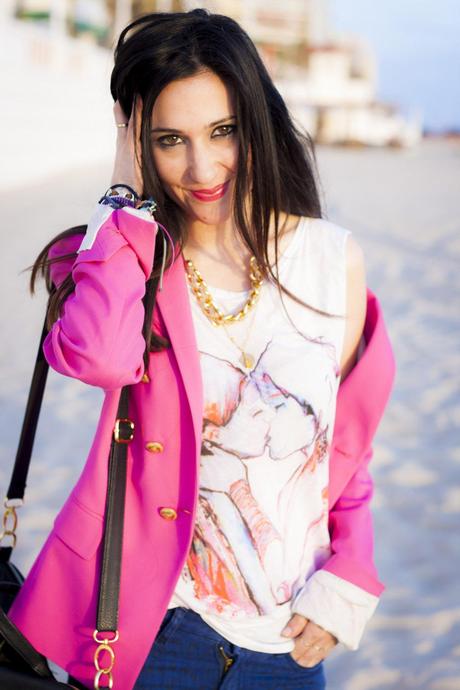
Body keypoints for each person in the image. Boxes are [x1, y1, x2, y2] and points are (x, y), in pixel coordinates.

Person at [8, 8, 395, 690]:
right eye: (169, 140)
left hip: (286, 644)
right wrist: (124, 198)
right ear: (138, 142)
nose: (202, 166)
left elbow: (343, 447)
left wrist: (351, 570)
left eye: (224, 131)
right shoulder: (123, 261)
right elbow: (97, 355)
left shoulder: (329, 260)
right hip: (154, 635)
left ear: (257, 122)